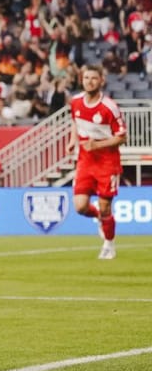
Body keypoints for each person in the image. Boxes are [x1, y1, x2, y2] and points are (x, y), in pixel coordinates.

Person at [71, 65, 127, 259]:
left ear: (101, 81)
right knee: (80, 206)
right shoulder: (76, 102)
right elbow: (74, 122)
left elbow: (121, 137)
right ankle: (100, 219)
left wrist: (98, 145)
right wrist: (73, 140)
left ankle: (109, 244)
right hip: (85, 161)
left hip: (107, 162)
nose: (90, 81)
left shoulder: (109, 107)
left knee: (105, 206)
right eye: (86, 78)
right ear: (82, 80)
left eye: (94, 78)